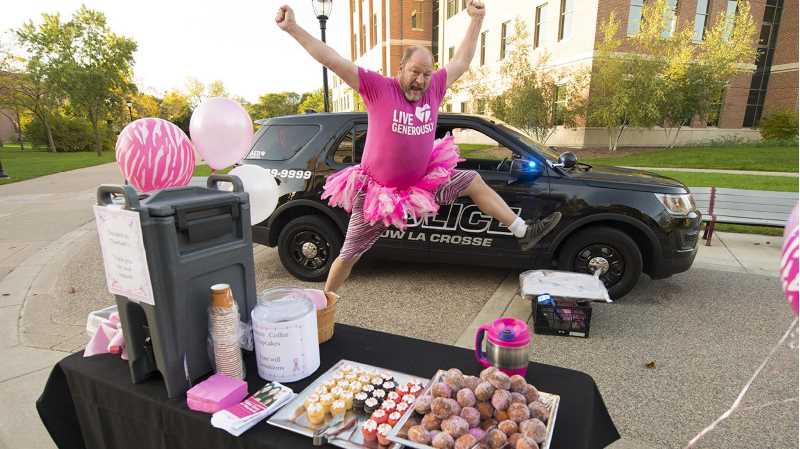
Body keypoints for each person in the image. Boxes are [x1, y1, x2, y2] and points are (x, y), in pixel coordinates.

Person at [276, 0, 561, 303]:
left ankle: (523, 231)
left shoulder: (435, 87)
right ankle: (326, 301)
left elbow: (461, 62)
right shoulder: (377, 88)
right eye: (414, 72)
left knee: (473, 181)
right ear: (400, 69)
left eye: (427, 74)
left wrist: (476, 20)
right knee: (350, 254)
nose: (420, 80)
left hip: (421, 185)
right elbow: (332, 59)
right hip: (378, 195)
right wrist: (293, 28)